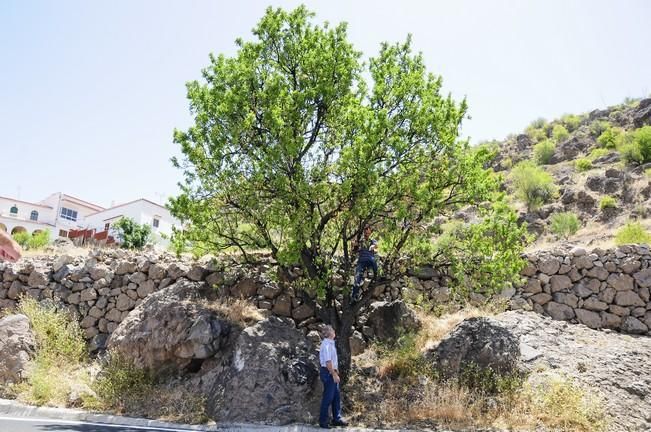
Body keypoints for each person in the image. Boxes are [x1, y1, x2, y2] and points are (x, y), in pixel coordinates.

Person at [318, 325, 348, 429]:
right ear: (329, 333)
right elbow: (328, 361)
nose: (334, 331)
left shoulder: (331, 344)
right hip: (328, 373)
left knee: (336, 396)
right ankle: (323, 421)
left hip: (331, 371)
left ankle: (337, 419)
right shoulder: (326, 344)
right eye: (332, 330)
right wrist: (334, 374)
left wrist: (336, 370)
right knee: (328, 397)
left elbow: (332, 360)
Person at [351, 226, 378, 302]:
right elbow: (354, 251)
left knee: (374, 263)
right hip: (361, 261)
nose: (367, 234)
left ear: (370, 233)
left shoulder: (372, 240)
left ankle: (376, 277)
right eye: (366, 233)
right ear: (364, 232)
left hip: (370, 260)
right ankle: (354, 296)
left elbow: (376, 245)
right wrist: (353, 245)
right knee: (357, 280)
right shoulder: (360, 241)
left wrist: (373, 246)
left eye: (368, 233)